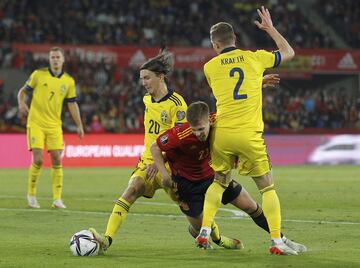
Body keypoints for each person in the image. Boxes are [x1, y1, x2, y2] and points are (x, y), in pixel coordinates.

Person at [196, 6, 298, 255]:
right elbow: (289, 52)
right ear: (235, 40)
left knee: (220, 182)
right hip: (248, 133)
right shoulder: (255, 58)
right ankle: (276, 241)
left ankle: (205, 231)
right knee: (267, 187)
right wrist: (270, 29)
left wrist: (256, 83)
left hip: (221, 134)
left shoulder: (209, 67)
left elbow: (227, 92)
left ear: (214, 45)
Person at [151, 100, 305, 253]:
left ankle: (282, 240)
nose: (198, 134)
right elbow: (155, 147)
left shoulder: (219, 121)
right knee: (199, 227)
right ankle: (217, 239)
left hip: (214, 177)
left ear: (209, 120)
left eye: (201, 129)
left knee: (251, 206)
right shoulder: (179, 134)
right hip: (187, 185)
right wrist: (164, 174)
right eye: (194, 130)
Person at [89, 50, 188, 253]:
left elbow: (181, 142)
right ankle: (107, 239)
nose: (143, 82)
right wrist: (150, 161)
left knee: (187, 205)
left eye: (147, 78)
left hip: (170, 164)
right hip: (147, 162)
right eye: (141, 78)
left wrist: (159, 162)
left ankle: (215, 236)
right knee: (133, 188)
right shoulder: (146, 100)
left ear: (160, 77)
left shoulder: (177, 105)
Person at [17, 47, 84, 209]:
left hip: (54, 125)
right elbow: (22, 92)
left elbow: (72, 104)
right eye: (52, 57)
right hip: (36, 123)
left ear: (63, 60)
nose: (55, 59)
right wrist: (21, 103)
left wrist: (79, 124)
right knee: (38, 159)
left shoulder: (68, 81)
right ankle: (31, 195)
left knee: (56, 159)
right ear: (49, 60)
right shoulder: (38, 75)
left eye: (57, 57)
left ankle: (57, 199)